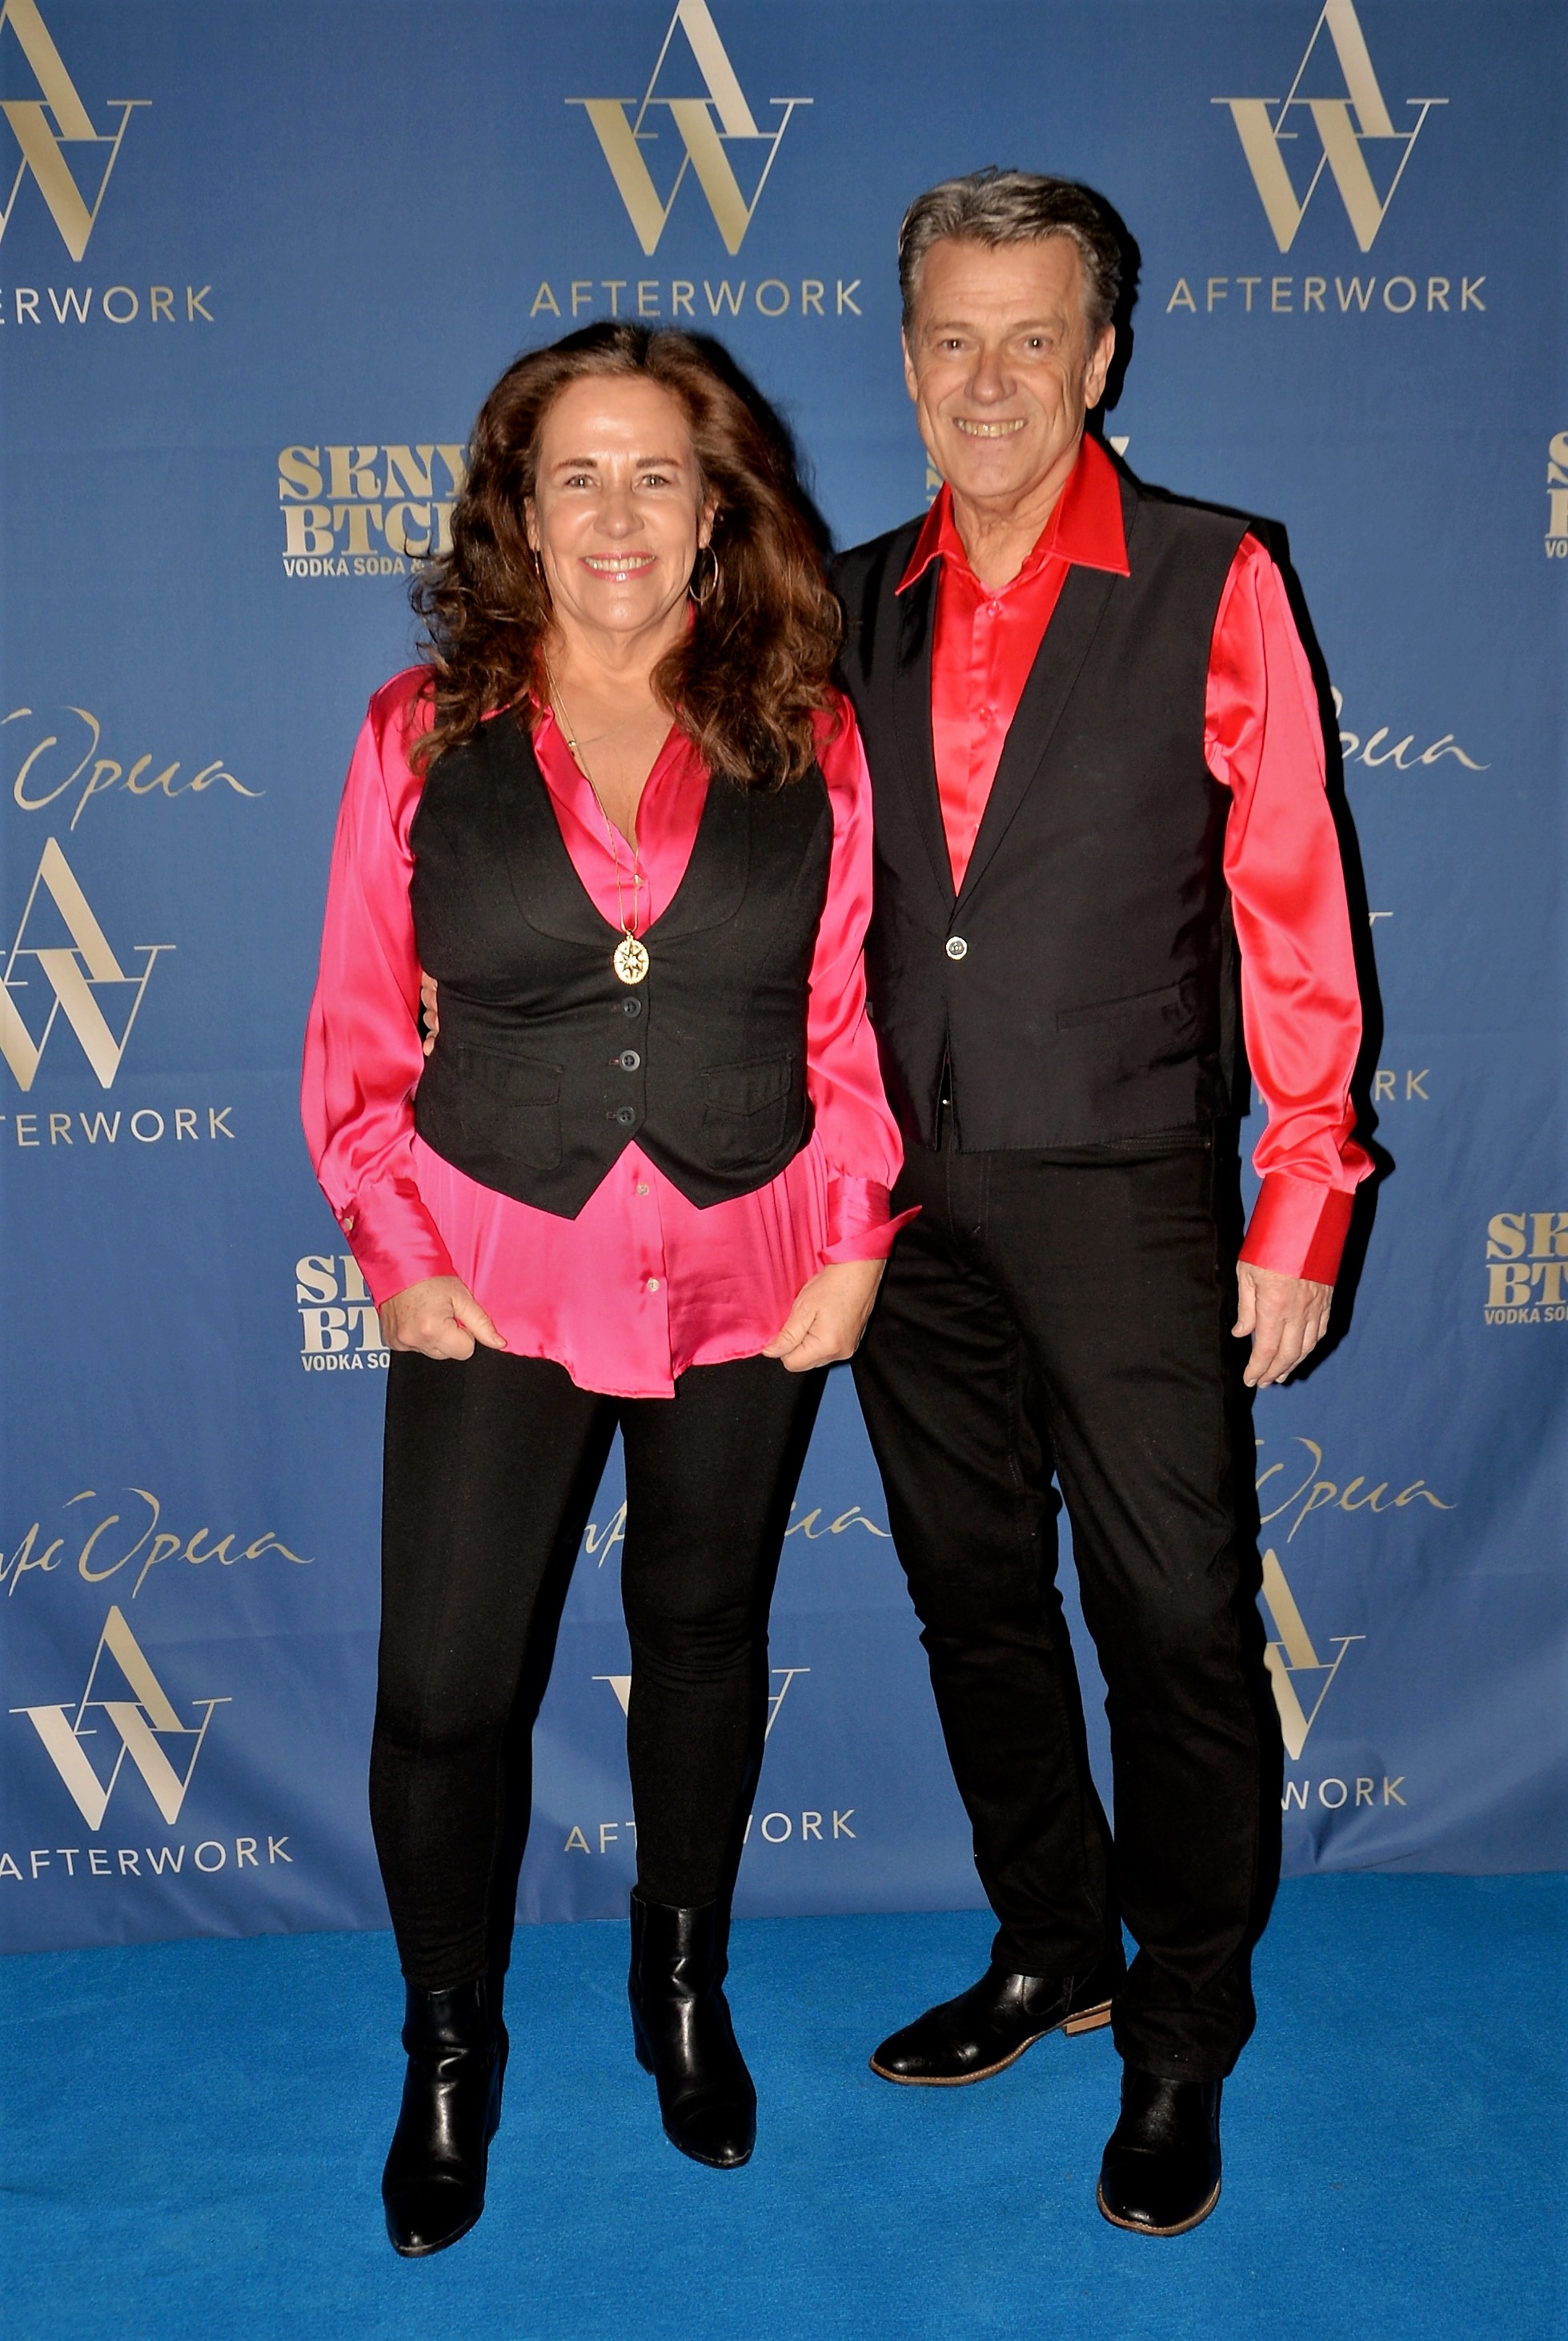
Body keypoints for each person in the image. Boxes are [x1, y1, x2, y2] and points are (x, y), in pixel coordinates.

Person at [302, 322, 908, 2256]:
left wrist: (855, 1233)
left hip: (749, 1256)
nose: (618, 512)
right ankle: (447, 2047)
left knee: (703, 1630)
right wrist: (397, 1252)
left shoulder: (809, 728)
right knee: (443, 1690)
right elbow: (354, 1031)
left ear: (716, 505)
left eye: (658, 472)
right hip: (495, 1268)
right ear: (521, 507)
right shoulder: (416, 731)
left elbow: (842, 1014)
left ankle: (680, 1986)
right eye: (577, 473)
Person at [832, 173, 1369, 2237]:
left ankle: (1179, 2022)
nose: (987, 381)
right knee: (971, 1594)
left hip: (1131, 1184)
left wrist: (1299, 1194)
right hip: (902, 1204)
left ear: (1100, 357)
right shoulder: (843, 602)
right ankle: (1047, 1941)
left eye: (1030, 338)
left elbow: (1292, 899)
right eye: (950, 339)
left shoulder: (1210, 575)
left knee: (1169, 1616)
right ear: (906, 361)